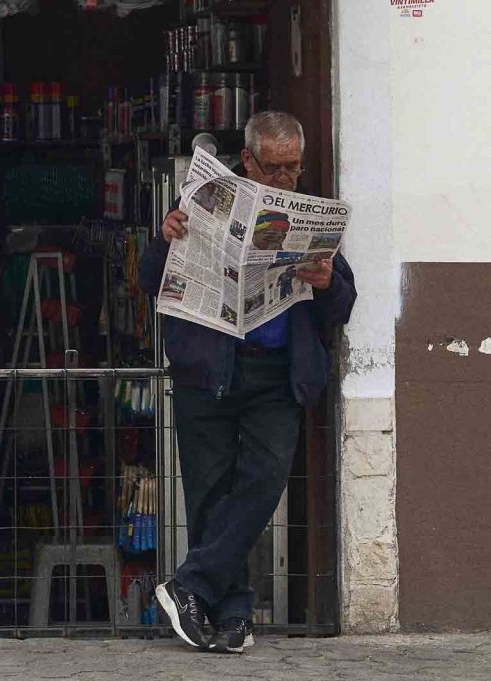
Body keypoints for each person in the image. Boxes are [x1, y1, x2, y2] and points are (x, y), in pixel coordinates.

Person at [141, 110, 355, 653]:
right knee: (210, 493)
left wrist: (327, 281)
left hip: (276, 374)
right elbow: (148, 280)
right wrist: (165, 241)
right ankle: (233, 616)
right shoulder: (203, 202)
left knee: (263, 481)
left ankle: (189, 585)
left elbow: (342, 307)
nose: (284, 178)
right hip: (207, 369)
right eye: (273, 167)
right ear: (248, 161)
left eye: (293, 167)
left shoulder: (308, 216)